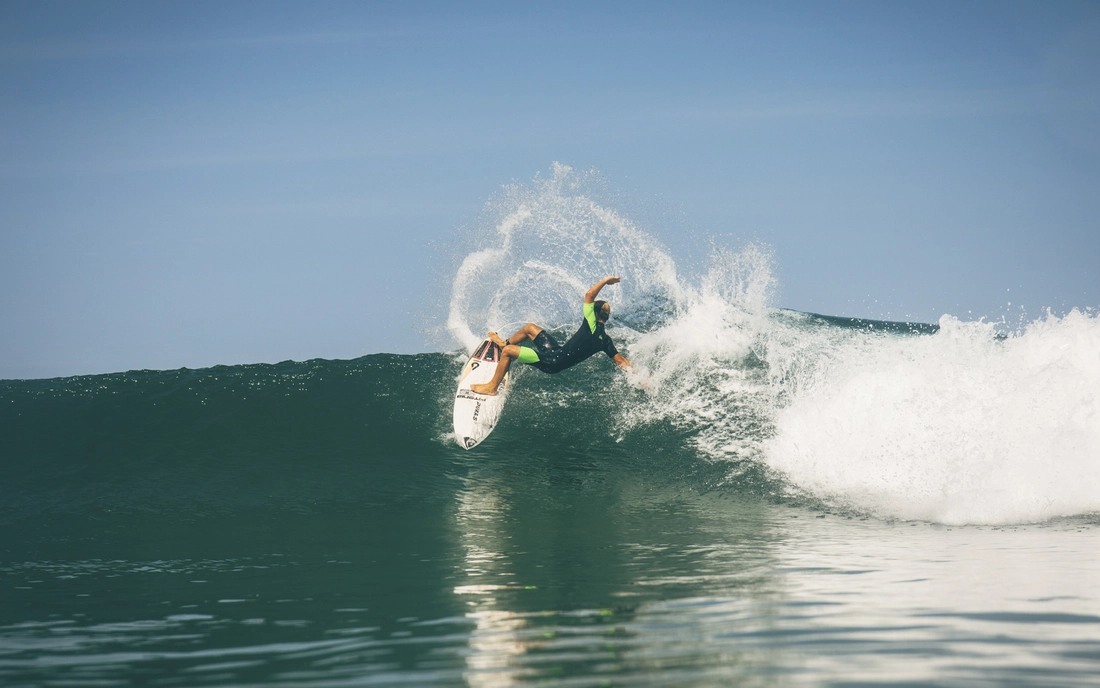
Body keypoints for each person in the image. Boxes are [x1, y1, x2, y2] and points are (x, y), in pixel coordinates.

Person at [470, 276, 634, 396]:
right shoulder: (605, 340)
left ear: (595, 312)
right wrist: (638, 378)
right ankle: (503, 343)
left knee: (509, 352)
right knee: (530, 328)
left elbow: (589, 294)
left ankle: (491, 387)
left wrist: (606, 281)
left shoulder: (591, 325)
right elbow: (621, 361)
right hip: (556, 352)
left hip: (553, 362)